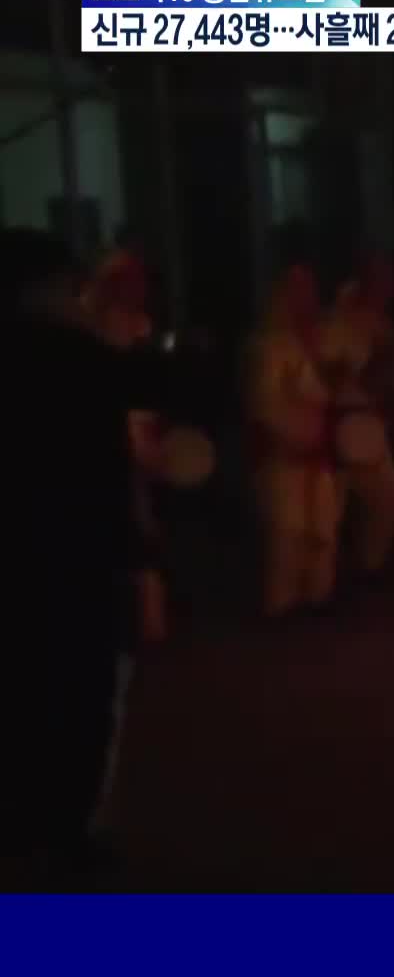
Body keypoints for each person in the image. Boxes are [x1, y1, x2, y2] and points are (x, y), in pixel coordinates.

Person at [2, 229, 170, 879]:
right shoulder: (70, 353)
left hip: (20, 557)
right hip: (74, 556)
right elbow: (164, 383)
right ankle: (65, 836)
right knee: (82, 696)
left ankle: (28, 822)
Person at [247, 264, 341, 618]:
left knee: (323, 530)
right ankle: (283, 609)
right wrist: (286, 440)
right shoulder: (270, 346)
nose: (307, 299)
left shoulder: (320, 341)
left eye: (310, 290)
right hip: (284, 455)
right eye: (297, 291)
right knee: (289, 534)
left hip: (317, 452)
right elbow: (264, 403)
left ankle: (319, 601)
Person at [318, 256, 394, 579]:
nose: (386, 290)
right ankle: (325, 583)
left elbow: (392, 374)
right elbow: (330, 375)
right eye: (380, 282)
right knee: (330, 514)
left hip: (371, 425)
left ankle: (368, 569)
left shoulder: (383, 324)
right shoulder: (337, 323)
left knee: (389, 502)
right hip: (339, 425)